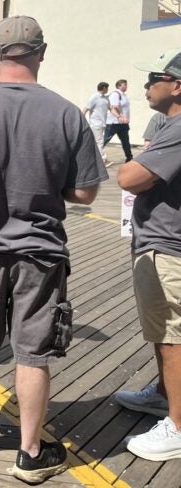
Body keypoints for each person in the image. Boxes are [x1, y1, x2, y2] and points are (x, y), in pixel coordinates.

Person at [0, 15, 108, 484]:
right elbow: (87, 193)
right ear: (41, 54)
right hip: (41, 251)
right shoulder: (67, 114)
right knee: (32, 353)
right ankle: (30, 452)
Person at [115, 48, 181, 461]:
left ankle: (177, 424)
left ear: (177, 85)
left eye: (154, 77)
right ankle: (162, 395)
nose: (146, 85)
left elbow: (129, 177)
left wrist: (139, 159)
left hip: (167, 248)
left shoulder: (177, 128)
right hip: (164, 243)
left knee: (171, 337)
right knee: (163, 333)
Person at [82, 81, 112, 167]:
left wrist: (119, 116)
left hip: (102, 124)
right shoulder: (94, 97)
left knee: (95, 142)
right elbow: (86, 108)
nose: (107, 90)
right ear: (103, 88)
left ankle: (90, 159)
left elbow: (111, 108)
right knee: (100, 142)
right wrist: (81, 119)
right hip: (96, 123)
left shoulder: (105, 98)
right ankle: (103, 160)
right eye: (107, 88)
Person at [104, 79, 133, 162]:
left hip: (123, 124)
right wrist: (121, 117)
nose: (126, 86)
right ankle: (93, 154)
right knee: (105, 140)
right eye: (124, 84)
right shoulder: (115, 94)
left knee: (125, 141)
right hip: (114, 123)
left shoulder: (123, 95)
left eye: (126, 84)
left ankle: (129, 158)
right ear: (119, 86)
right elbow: (114, 107)